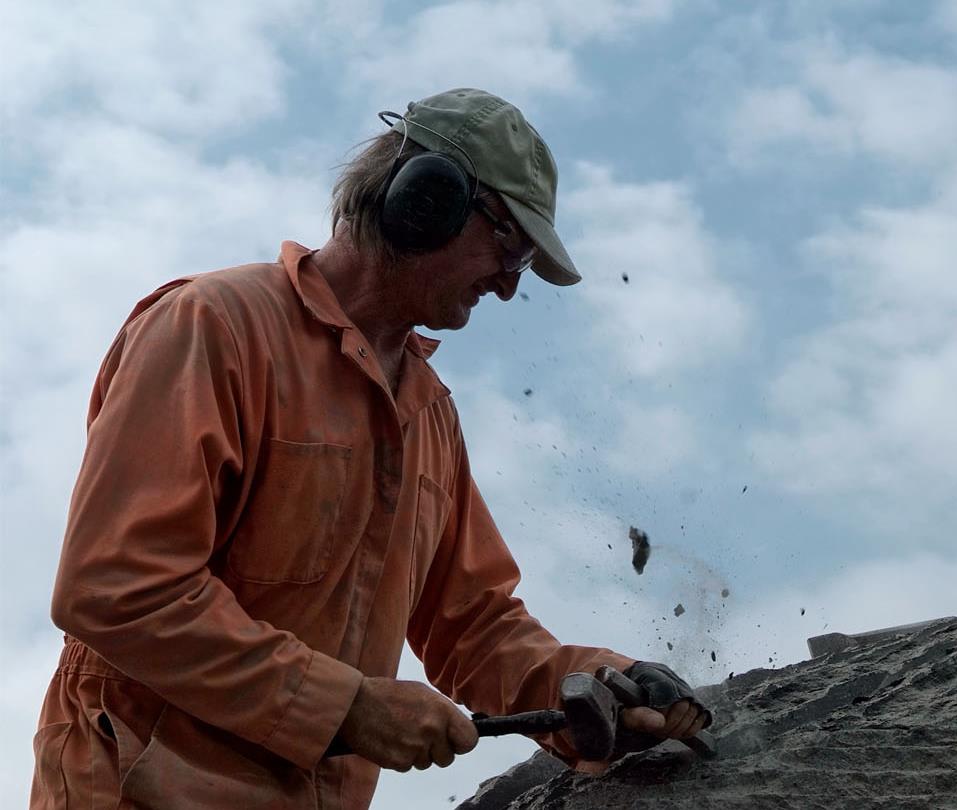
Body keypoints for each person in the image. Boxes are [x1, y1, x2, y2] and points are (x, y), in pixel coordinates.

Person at [30, 88, 710, 810]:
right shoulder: (213, 330)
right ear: (426, 200)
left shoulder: (429, 416)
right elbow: (117, 589)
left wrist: (603, 680)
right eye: (507, 244)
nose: (510, 286)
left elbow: (474, 628)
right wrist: (346, 704)